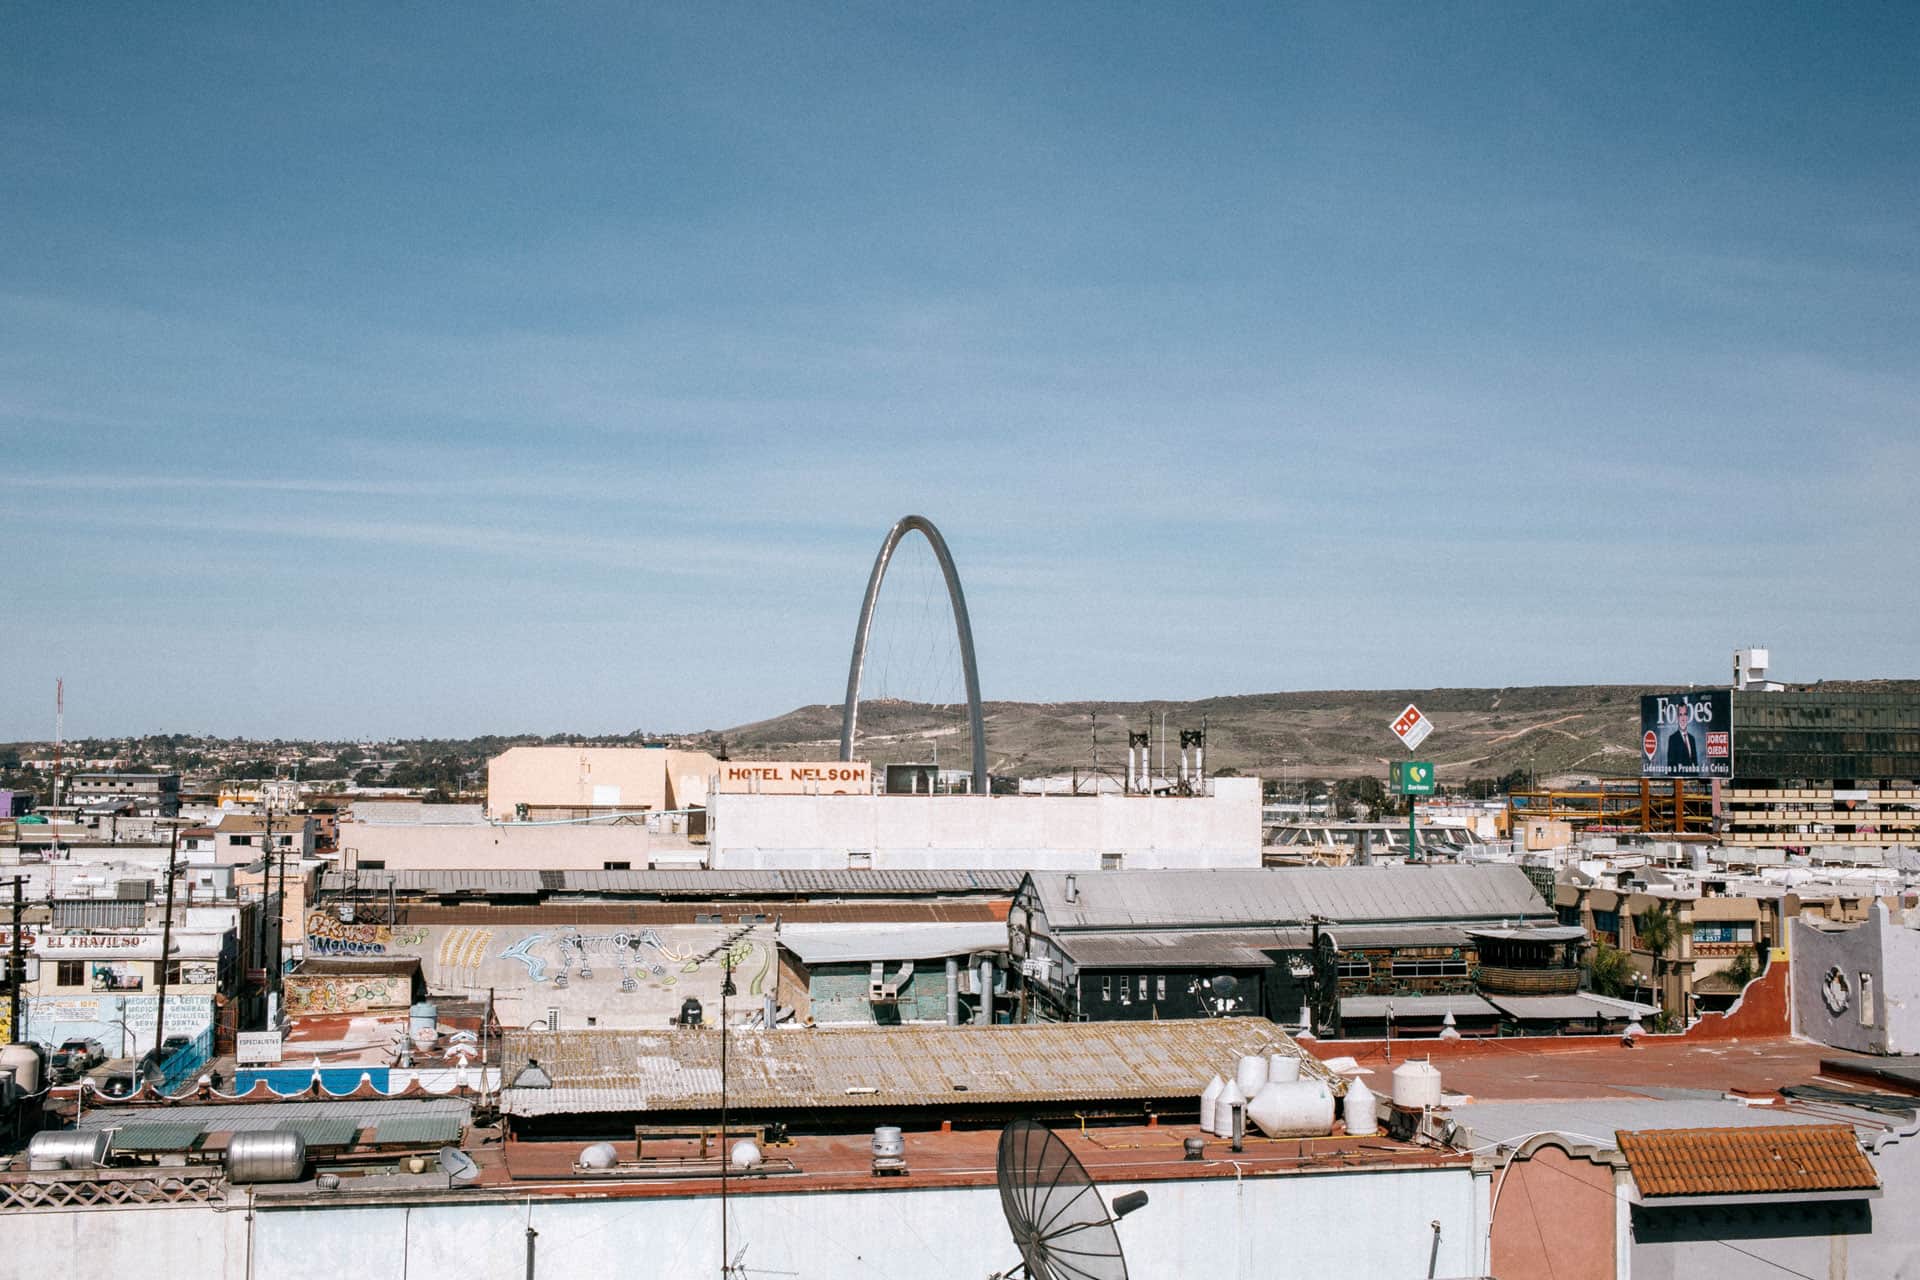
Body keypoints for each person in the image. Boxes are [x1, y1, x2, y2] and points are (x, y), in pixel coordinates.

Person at [1665, 702, 1701, 770]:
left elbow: (1696, 765)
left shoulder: (1692, 739)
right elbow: (1670, 767)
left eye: (1685, 714)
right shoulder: (1672, 739)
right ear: (1677, 718)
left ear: (1687, 717)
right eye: (1680, 715)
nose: (1683, 718)